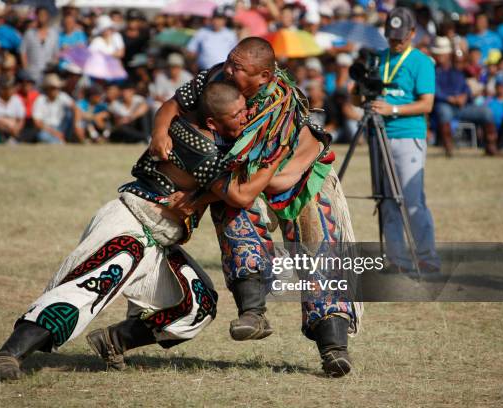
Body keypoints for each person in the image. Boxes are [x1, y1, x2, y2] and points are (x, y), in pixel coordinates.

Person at [0, 81, 287, 380]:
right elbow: (239, 195)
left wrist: (198, 198)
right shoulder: (200, 145)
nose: (246, 117)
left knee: (198, 304)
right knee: (87, 288)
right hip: (129, 224)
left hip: (159, 240)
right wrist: (276, 155)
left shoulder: (212, 134)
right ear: (213, 121)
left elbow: (175, 102)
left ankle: (113, 341)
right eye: (237, 115)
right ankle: (9, 355)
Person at [150, 37, 360, 377]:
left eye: (239, 67)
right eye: (230, 62)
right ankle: (253, 312)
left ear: (263, 76)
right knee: (233, 216)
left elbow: (266, 184)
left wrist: (201, 197)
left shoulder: (279, 108)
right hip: (245, 175)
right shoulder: (217, 77)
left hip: (297, 176)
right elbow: (175, 103)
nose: (230, 71)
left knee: (319, 249)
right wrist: (160, 132)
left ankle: (334, 348)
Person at [363, 8, 441, 273]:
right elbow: (358, 99)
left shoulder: (422, 62)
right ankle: (397, 259)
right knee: (386, 200)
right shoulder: (377, 59)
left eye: (401, 37)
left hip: (408, 135)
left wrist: (392, 109)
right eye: (391, 36)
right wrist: (358, 90)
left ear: (412, 33)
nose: (396, 42)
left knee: (411, 199)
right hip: (378, 135)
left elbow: (426, 104)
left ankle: (427, 257)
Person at [431, 36, 500, 157]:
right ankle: (448, 147)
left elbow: (465, 87)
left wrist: (464, 96)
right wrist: (450, 99)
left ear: (448, 54)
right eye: (439, 53)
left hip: (463, 106)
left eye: (443, 53)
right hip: (446, 105)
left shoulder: (458, 69)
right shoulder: (432, 71)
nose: (441, 56)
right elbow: (434, 90)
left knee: (486, 112)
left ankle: (491, 146)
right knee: (443, 111)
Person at [31, 73, 76, 144]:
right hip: (46, 129)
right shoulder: (40, 100)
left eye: (57, 88)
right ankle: (60, 141)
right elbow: (37, 122)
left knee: (70, 113)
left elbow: (75, 108)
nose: (55, 90)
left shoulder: (63, 96)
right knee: (42, 136)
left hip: (62, 127)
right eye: (53, 88)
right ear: (47, 89)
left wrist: (76, 124)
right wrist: (55, 133)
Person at [20, 7, 59, 85]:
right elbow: (22, 52)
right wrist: (26, 69)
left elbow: (56, 54)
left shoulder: (54, 34)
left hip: (47, 73)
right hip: (32, 73)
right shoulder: (29, 33)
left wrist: (53, 66)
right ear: (36, 16)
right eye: (40, 15)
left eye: (44, 15)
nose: (42, 17)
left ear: (48, 16)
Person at [0, 77, 26, 143]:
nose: (10, 90)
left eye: (11, 88)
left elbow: (21, 119)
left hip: (15, 130)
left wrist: (16, 129)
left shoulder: (17, 99)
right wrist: (9, 129)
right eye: (7, 88)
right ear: (1, 89)